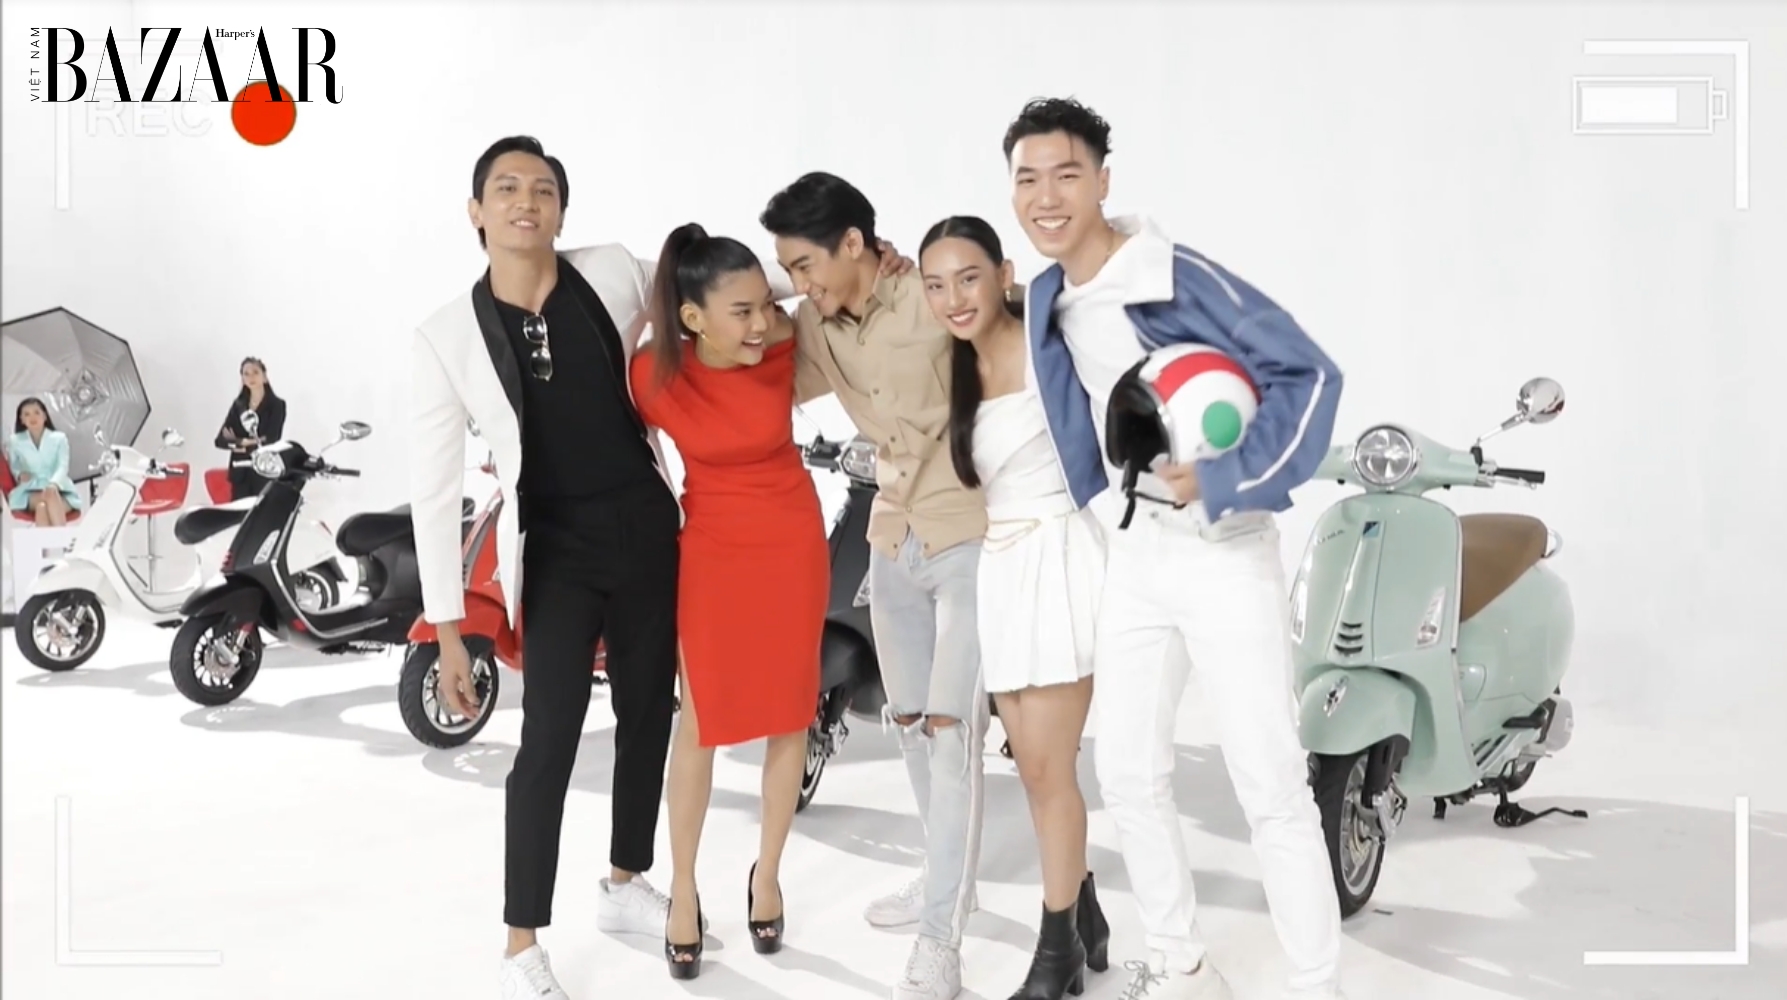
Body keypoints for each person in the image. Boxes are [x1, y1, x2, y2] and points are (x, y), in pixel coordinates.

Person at [1002, 98, 1349, 1000]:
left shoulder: (1172, 276)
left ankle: (1315, 983)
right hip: (1135, 557)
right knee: (1126, 774)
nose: (1045, 197)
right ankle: (1180, 965)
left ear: (1103, 181)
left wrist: (1227, 476)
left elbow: (1310, 373)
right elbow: (1064, 397)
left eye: (1066, 175)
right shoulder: (1042, 294)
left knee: (1268, 780)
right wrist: (1104, 507)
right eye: (1027, 179)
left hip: (1223, 551)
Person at [407, 135, 685, 1000]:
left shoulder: (611, 272)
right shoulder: (445, 337)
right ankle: (520, 941)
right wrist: (448, 629)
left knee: (650, 711)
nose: (525, 201)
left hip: (645, 525)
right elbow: (433, 488)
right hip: (555, 548)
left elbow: (713, 282)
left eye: (543, 190)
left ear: (561, 211)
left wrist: (824, 273)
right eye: (506, 188)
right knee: (549, 737)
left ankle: (625, 881)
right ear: (476, 211)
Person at [761, 172, 988, 1000]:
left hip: (970, 535)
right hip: (891, 539)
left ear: (855, 243)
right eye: (790, 270)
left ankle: (941, 944)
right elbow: (754, 360)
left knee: (952, 735)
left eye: (805, 265)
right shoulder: (816, 329)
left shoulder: (932, 296)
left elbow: (1015, 321)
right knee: (908, 725)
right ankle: (946, 882)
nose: (799, 284)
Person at [627, 223, 830, 981]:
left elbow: (799, 297)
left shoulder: (779, 346)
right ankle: (682, 889)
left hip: (791, 543)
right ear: (691, 318)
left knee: (790, 714)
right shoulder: (653, 376)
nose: (759, 323)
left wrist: (767, 303)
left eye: (763, 306)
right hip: (712, 554)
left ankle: (766, 875)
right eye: (740, 312)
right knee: (702, 722)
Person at [918, 216, 1110, 1000]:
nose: (953, 298)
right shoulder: (953, 364)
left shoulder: (1051, 336)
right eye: (935, 285)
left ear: (1003, 274)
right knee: (1031, 770)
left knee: (1044, 767)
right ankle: (1084, 910)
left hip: (1060, 557)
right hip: (1000, 568)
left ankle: (1056, 952)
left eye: (968, 277)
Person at [213, 356, 287, 501]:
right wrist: (242, 442)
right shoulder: (238, 406)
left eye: (255, 372)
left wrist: (241, 443)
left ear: (264, 376)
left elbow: (272, 438)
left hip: (263, 470)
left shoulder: (276, 405)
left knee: (262, 510)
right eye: (246, 374)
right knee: (239, 512)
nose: (251, 377)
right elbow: (220, 441)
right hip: (240, 472)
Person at [6, 398, 83, 525]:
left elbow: (62, 466)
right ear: (21, 419)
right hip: (30, 490)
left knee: (43, 506)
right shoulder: (15, 441)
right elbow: (14, 465)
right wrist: (19, 474)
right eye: (27, 414)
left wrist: (54, 484)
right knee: (48, 499)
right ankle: (63, 537)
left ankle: (51, 539)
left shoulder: (59, 438)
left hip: (60, 489)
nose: (32, 417)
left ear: (45, 416)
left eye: (37, 412)